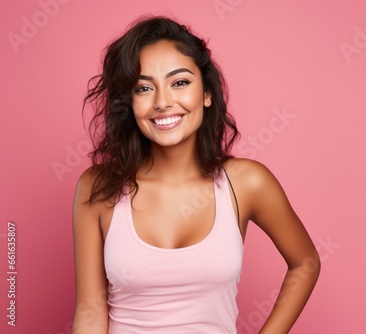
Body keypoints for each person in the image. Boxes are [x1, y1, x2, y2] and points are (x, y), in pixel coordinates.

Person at [72, 15, 320, 334]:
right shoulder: (99, 187)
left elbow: (305, 262)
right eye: (144, 87)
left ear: (206, 94)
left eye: (180, 82)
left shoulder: (245, 183)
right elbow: (91, 309)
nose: (162, 102)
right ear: (129, 104)